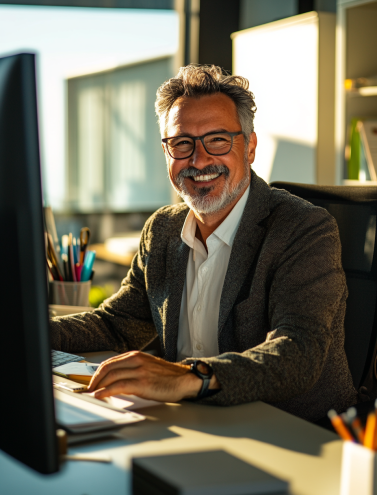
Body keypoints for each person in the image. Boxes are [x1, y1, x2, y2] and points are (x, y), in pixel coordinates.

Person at [51, 64, 358, 422]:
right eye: (182, 143)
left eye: (217, 139)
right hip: (194, 422)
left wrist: (188, 377)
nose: (199, 159)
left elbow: (298, 354)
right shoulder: (162, 229)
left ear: (250, 147)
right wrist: (26, 333)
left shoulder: (303, 228)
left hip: (293, 433)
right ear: (167, 153)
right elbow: (118, 324)